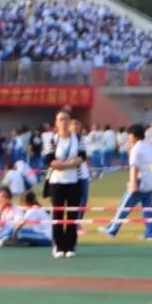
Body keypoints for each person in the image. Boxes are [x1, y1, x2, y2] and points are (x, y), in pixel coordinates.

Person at [102, 123, 152, 241]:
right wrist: (129, 149)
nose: (128, 137)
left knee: (124, 207)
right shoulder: (147, 145)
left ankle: (112, 230)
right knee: (148, 209)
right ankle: (150, 233)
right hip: (150, 180)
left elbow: (134, 167)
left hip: (140, 181)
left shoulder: (136, 149)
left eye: (129, 135)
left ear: (134, 135)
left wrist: (133, 183)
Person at [42, 110, 85, 258]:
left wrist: (65, 164)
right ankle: (59, 246)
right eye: (60, 120)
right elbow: (51, 161)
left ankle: (70, 246)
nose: (64, 122)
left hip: (74, 181)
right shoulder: (52, 140)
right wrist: (70, 163)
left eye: (66, 119)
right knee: (58, 214)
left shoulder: (78, 139)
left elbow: (82, 158)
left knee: (72, 215)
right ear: (56, 123)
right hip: (57, 182)